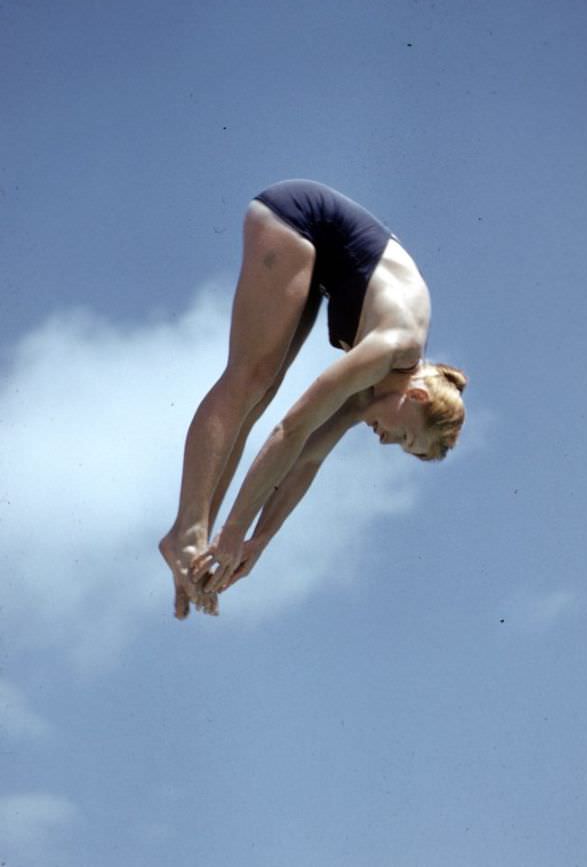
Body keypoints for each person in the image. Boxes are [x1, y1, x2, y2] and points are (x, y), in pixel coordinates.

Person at [159, 180, 467, 618]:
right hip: (296, 218)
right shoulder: (394, 347)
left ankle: (195, 536)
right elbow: (291, 429)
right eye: (405, 437)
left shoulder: (373, 393)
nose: (385, 442)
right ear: (416, 396)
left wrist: (254, 543)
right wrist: (234, 530)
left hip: (317, 255)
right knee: (249, 379)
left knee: (257, 396)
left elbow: (306, 457)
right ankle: (188, 531)